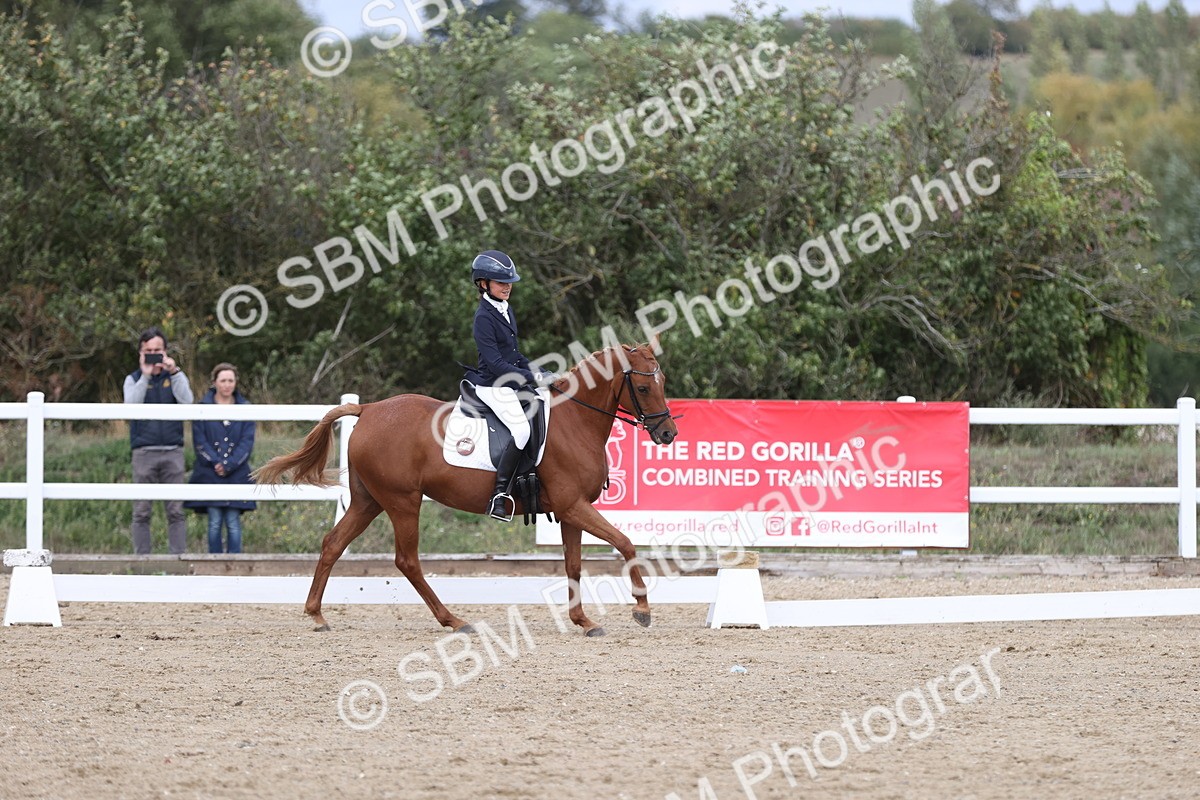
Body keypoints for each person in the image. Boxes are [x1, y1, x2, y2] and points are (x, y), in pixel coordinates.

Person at [463, 250, 554, 521]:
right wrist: (531, 378)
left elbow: (515, 356)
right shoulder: (483, 318)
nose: (507, 286)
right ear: (483, 284)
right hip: (491, 385)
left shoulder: (506, 309)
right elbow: (496, 364)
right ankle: (500, 495)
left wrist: (539, 371)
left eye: (509, 281)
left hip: (508, 382)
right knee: (521, 429)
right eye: (501, 282)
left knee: (546, 405)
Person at [123, 326, 193, 555]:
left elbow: (187, 403)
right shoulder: (133, 379)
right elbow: (131, 409)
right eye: (149, 350)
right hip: (143, 451)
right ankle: (142, 561)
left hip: (173, 450)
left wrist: (175, 372)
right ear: (140, 353)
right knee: (141, 511)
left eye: (158, 350)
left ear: (166, 351)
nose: (154, 354)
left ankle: (178, 561)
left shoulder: (174, 377)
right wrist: (145, 375)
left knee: (176, 510)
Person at [183, 363, 256, 553]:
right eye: (223, 380)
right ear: (214, 382)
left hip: (237, 473)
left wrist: (229, 464)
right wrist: (216, 462)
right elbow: (200, 441)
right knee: (214, 521)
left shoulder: (245, 408)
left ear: (235, 382)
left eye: (230, 380)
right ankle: (213, 562)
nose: (227, 385)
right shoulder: (202, 408)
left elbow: (247, 442)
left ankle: (235, 563)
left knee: (233, 522)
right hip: (210, 472)